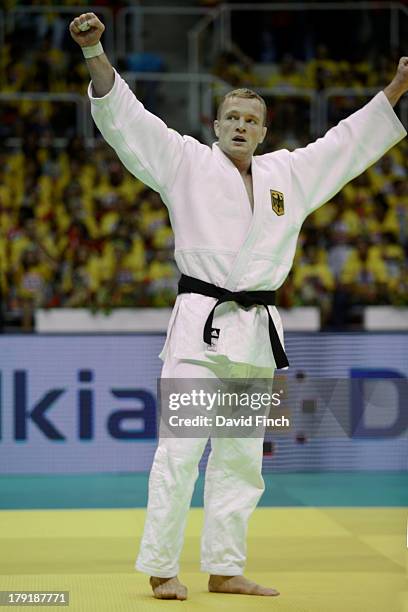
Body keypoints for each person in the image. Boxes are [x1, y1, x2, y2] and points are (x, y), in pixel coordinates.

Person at [69, 13, 408, 601]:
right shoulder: (184, 162)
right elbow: (126, 119)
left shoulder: (289, 175)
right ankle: (161, 566)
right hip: (200, 329)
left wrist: (398, 89)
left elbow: (345, 144)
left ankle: (225, 568)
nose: (242, 126)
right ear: (216, 123)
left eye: (252, 120)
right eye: (232, 117)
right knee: (178, 452)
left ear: (264, 130)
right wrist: (94, 48)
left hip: (258, 332)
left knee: (244, 460)